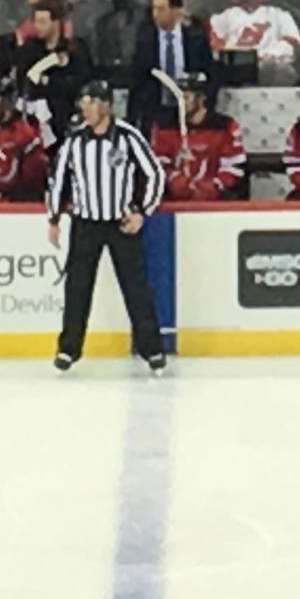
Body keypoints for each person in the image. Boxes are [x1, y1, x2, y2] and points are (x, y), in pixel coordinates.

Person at [45, 78, 166, 375]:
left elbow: (155, 174)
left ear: (106, 105)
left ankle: (152, 349)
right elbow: (58, 179)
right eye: (83, 104)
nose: (85, 110)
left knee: (136, 287)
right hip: (86, 223)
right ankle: (68, 349)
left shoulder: (127, 136)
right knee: (77, 288)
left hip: (119, 223)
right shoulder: (74, 139)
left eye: (91, 103)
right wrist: (54, 217)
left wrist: (142, 212)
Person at [151, 72, 248, 202]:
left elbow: (234, 165)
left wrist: (213, 186)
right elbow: (158, 163)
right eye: (177, 97)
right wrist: (176, 182)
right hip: (173, 205)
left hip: (216, 204)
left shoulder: (225, 127)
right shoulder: (163, 126)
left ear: (201, 98)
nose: (181, 103)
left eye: (185, 97)